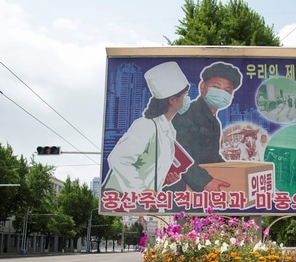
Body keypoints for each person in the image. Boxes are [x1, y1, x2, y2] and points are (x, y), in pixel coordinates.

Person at [102, 61, 191, 195]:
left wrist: (162, 178)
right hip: (120, 198)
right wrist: (142, 190)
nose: (187, 100)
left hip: (143, 203)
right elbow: (118, 159)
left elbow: (146, 167)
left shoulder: (169, 130)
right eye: (185, 96)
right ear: (172, 100)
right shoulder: (146, 126)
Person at [168, 61, 242, 192]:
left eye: (227, 90)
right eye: (216, 87)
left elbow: (212, 157)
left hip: (204, 192)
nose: (221, 93)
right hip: (182, 190)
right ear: (203, 86)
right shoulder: (187, 114)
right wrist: (204, 181)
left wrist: (232, 173)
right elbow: (178, 154)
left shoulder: (215, 122)